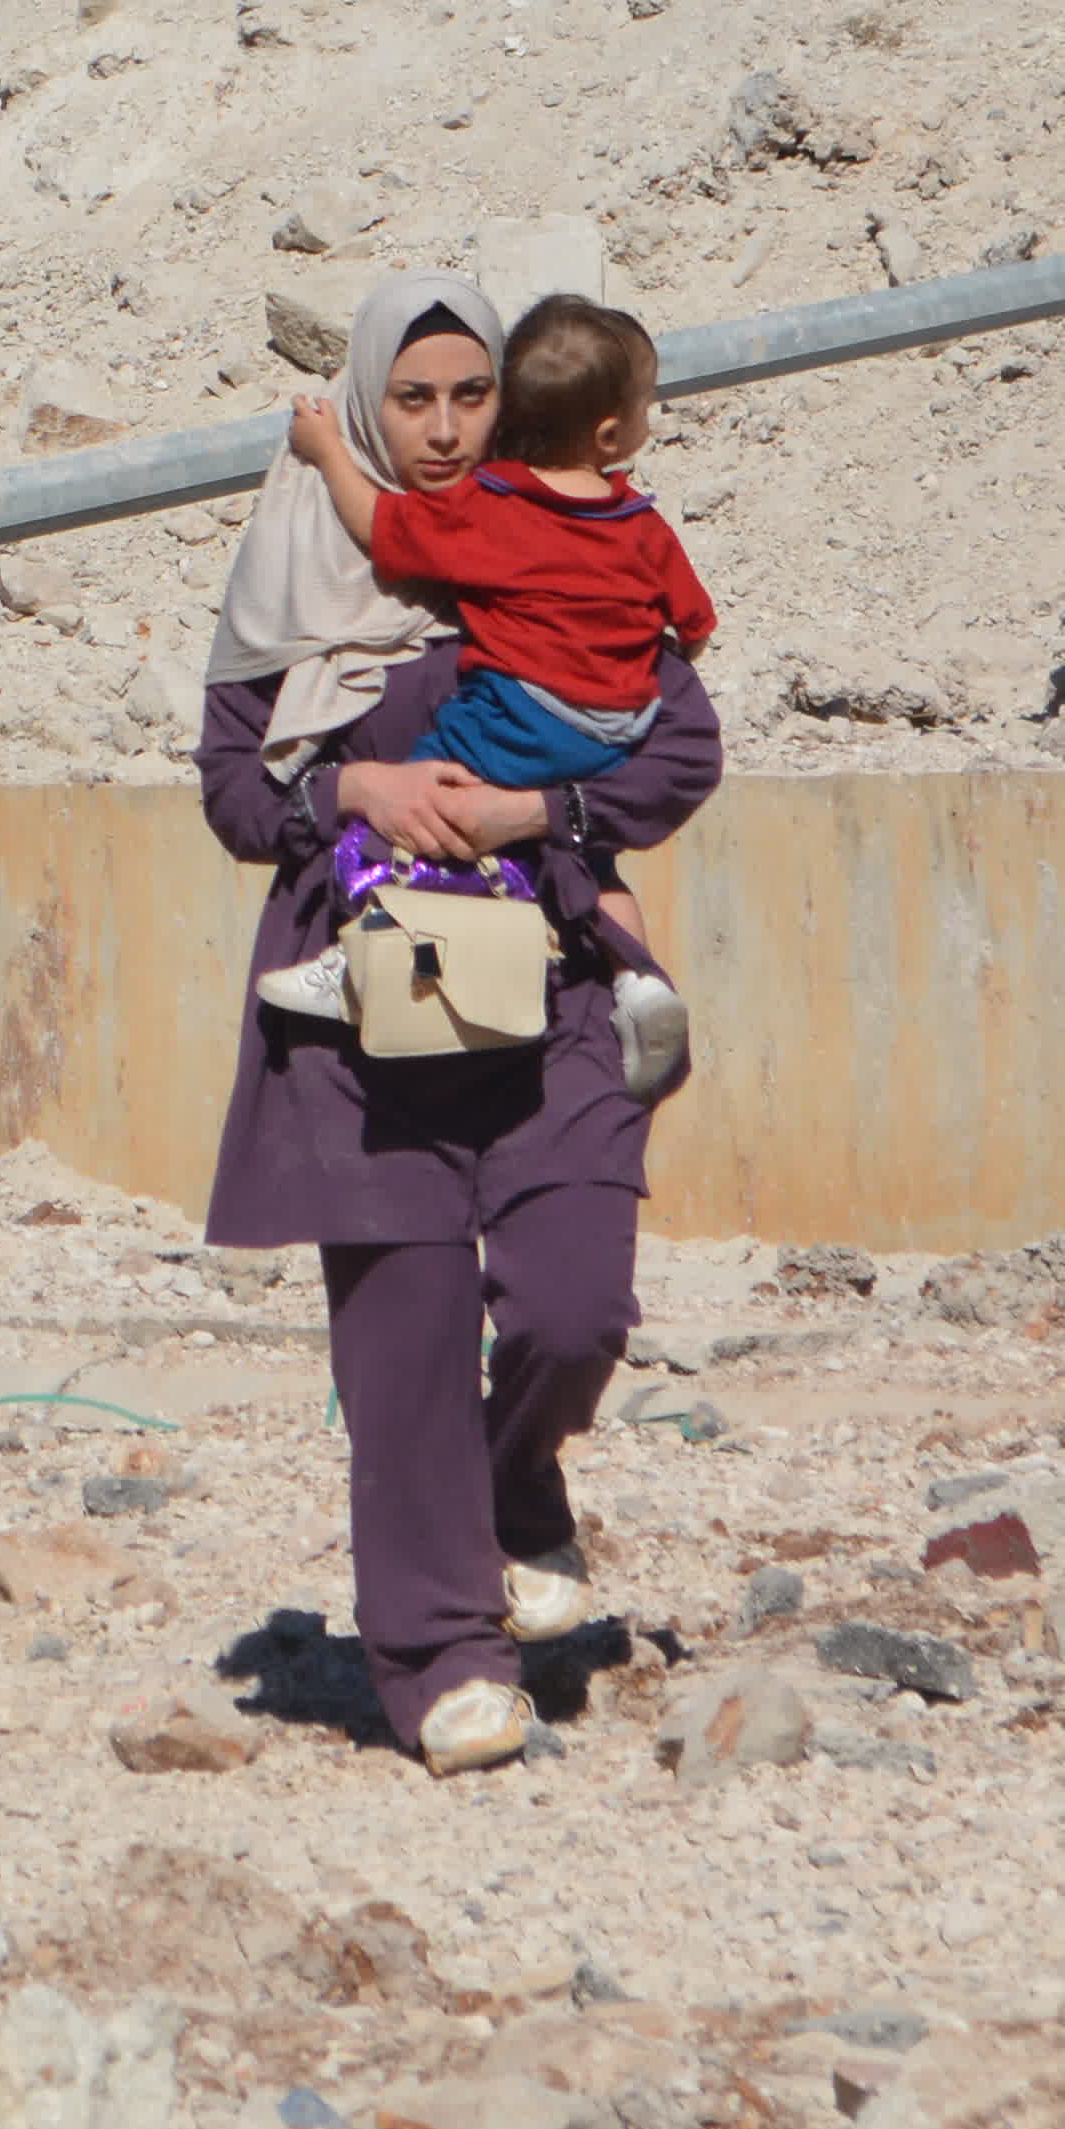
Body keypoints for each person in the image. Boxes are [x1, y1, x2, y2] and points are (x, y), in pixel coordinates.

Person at [191, 276, 721, 1780]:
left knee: (573, 1305)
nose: (438, 431)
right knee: (407, 1342)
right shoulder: (291, 571)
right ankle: (438, 1656)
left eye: (468, 397)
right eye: (409, 401)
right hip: (361, 1008)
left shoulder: (563, 549)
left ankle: (511, 1494)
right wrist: (350, 788)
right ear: (366, 405)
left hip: (548, 973)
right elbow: (234, 793)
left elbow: (682, 748)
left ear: (513, 403)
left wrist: (533, 806)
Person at [265, 294, 706, 1072]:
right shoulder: (640, 521)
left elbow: (387, 532)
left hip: (521, 713)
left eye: (471, 397)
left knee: (415, 802)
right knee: (586, 859)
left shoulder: (491, 510)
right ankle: (638, 977)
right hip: (626, 722)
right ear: (609, 434)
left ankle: (357, 957)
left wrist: (327, 449)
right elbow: (694, 622)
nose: (444, 430)